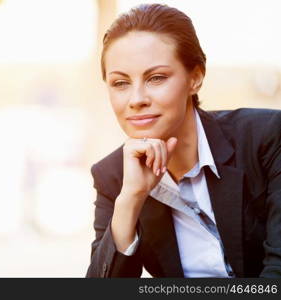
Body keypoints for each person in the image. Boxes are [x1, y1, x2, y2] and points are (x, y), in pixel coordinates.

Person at [85, 3, 281, 278]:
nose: (137, 99)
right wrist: (131, 199)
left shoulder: (267, 138)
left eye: (156, 78)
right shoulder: (114, 178)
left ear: (195, 78)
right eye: (120, 83)